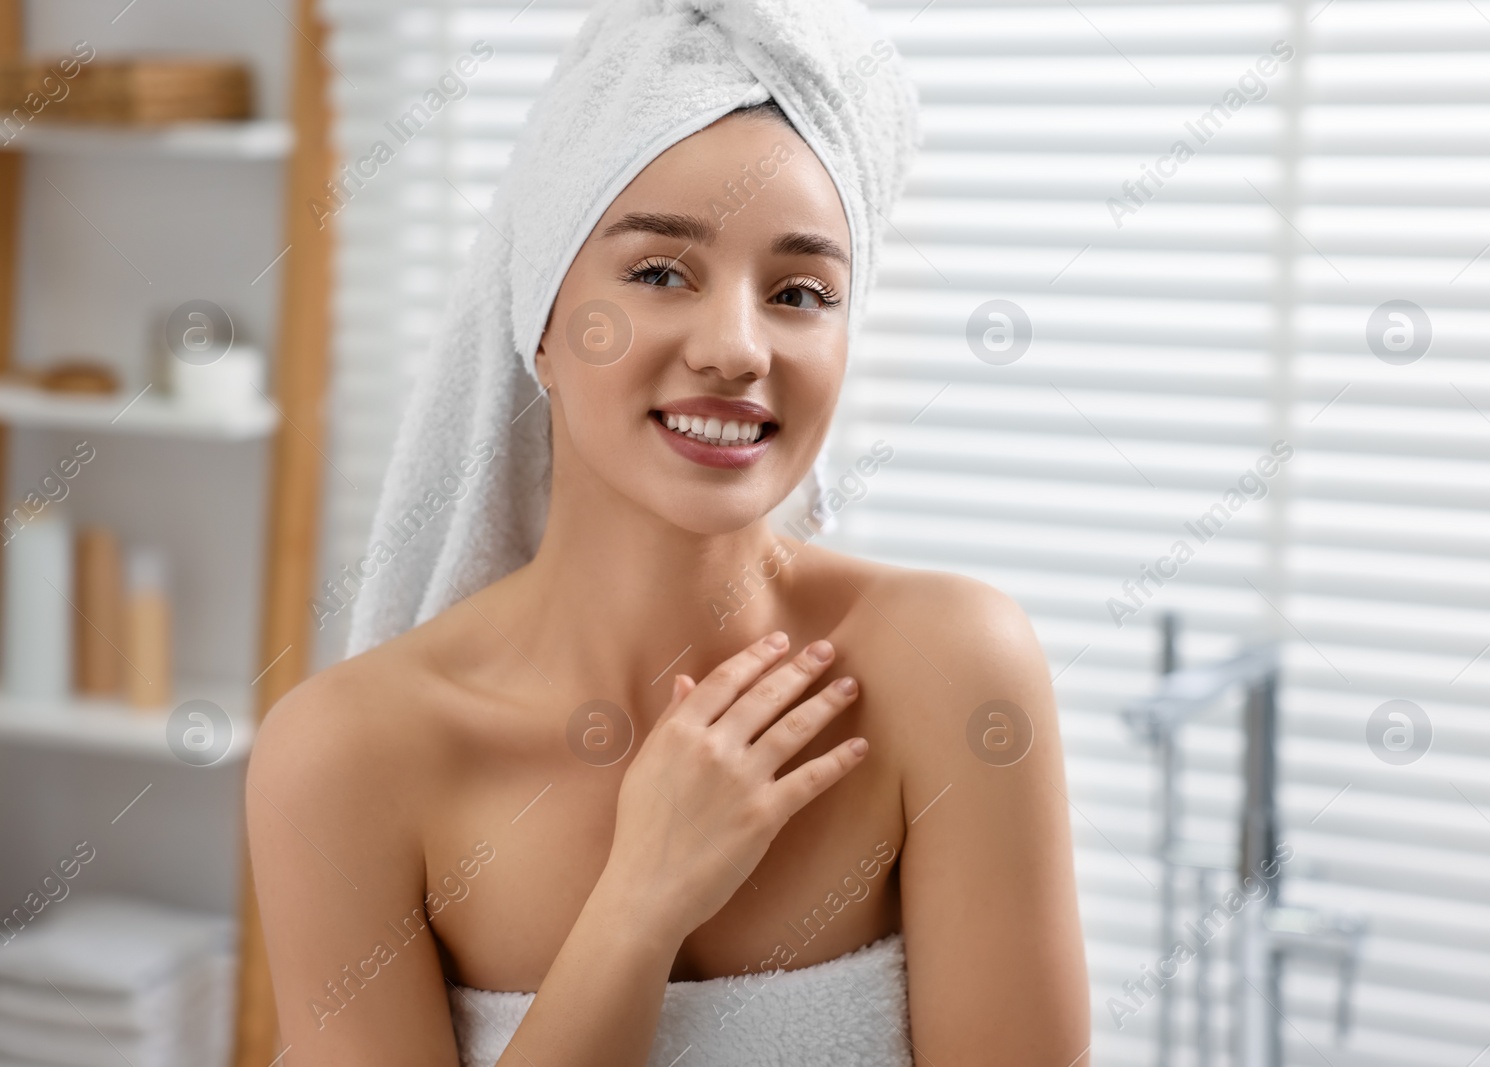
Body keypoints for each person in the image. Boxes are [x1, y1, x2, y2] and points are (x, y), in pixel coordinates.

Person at [247, 8, 1089, 1066]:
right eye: (658, 272)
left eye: (799, 293)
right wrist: (643, 898)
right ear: (543, 323)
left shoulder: (954, 668)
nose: (737, 348)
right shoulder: (347, 755)